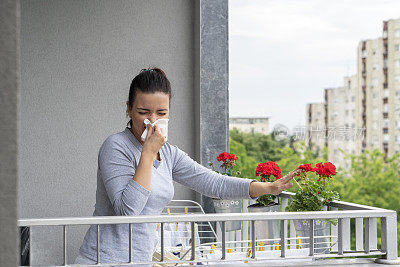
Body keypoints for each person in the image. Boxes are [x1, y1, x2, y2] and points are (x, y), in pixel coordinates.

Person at [75, 68, 299, 265]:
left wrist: (266, 188)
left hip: (139, 261)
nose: (152, 121)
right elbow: (127, 211)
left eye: (161, 113)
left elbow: (214, 183)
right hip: (102, 260)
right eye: (144, 112)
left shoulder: (168, 153)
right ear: (129, 109)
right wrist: (148, 153)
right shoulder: (115, 146)